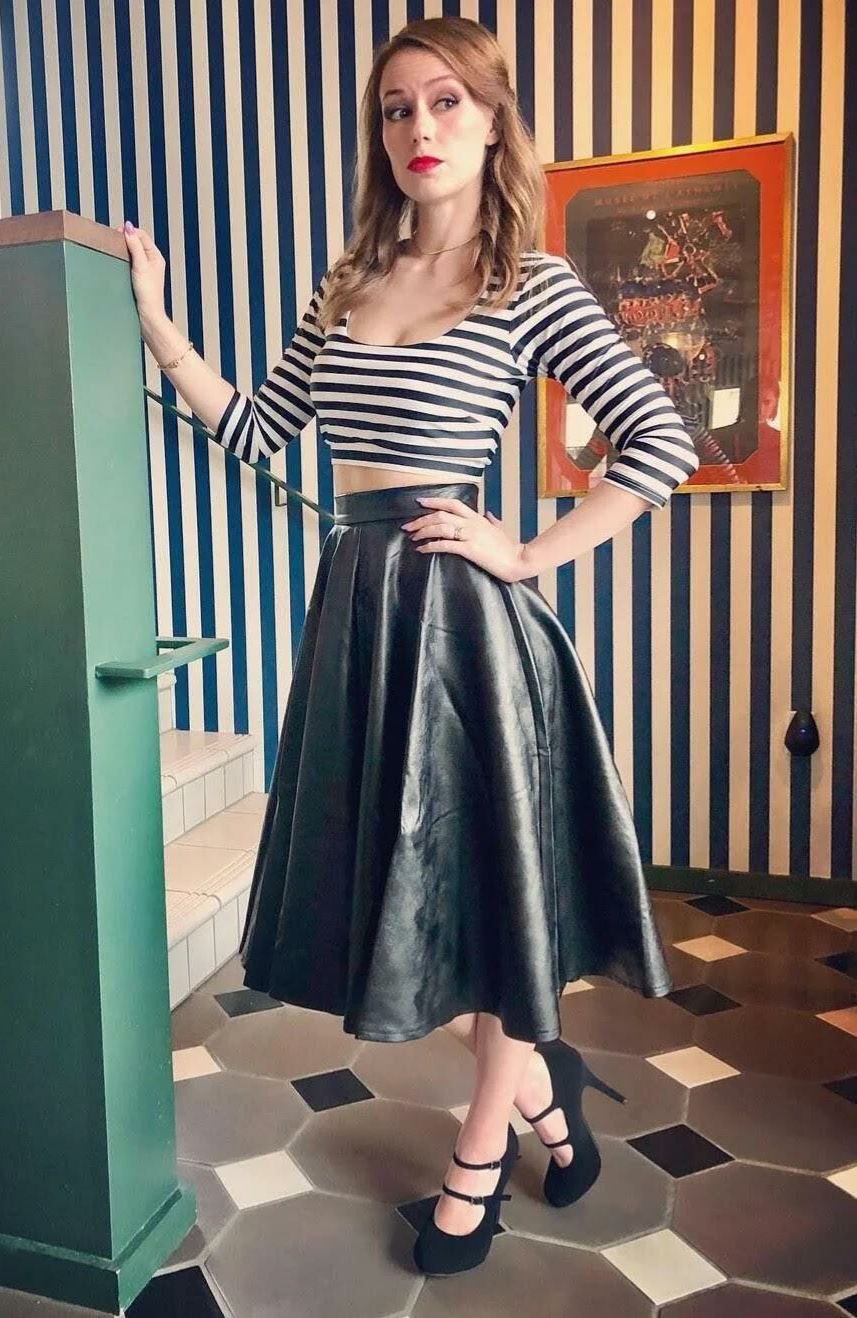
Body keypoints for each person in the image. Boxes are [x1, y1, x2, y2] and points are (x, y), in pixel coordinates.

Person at [123, 14, 698, 1281]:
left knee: (488, 913)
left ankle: (478, 1159)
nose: (418, 128)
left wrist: (529, 552)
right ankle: (546, 1097)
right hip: (360, 619)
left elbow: (657, 441)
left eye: (445, 102)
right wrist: (159, 326)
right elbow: (258, 433)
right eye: (395, 108)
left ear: (491, 123)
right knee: (401, 911)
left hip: (467, 632)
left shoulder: (527, 283)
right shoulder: (345, 283)